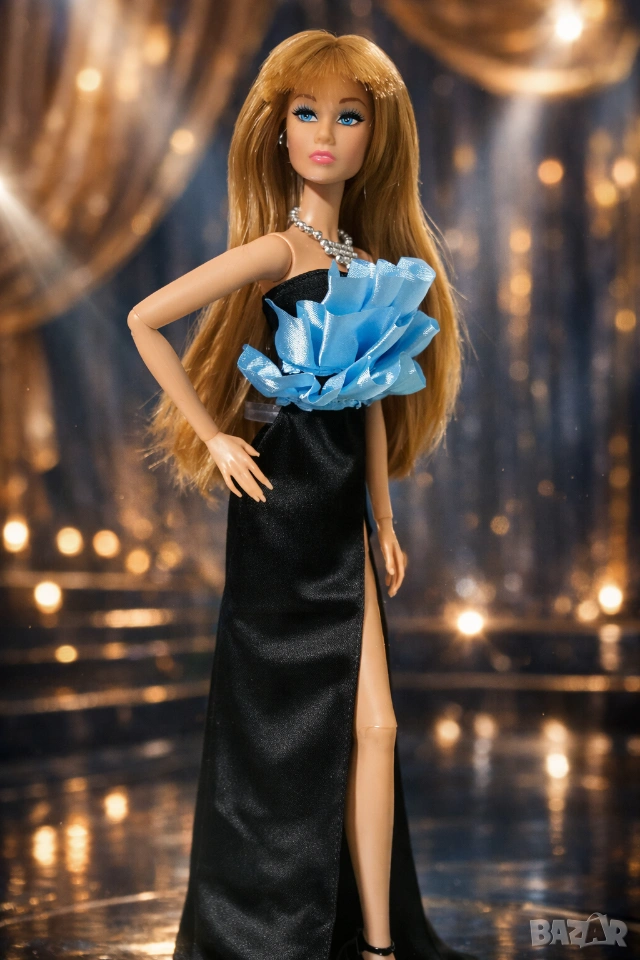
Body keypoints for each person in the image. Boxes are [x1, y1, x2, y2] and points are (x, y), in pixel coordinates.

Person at [128, 29, 475, 960]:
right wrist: (214, 437)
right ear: (278, 130)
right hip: (280, 505)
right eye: (307, 113)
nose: (325, 133)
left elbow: (371, 394)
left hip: (342, 511)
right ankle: (286, 920)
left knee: (377, 723)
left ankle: (377, 941)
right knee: (281, 715)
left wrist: (384, 516)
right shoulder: (278, 250)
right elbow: (145, 319)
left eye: (348, 116)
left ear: (375, 136)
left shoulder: (368, 262)